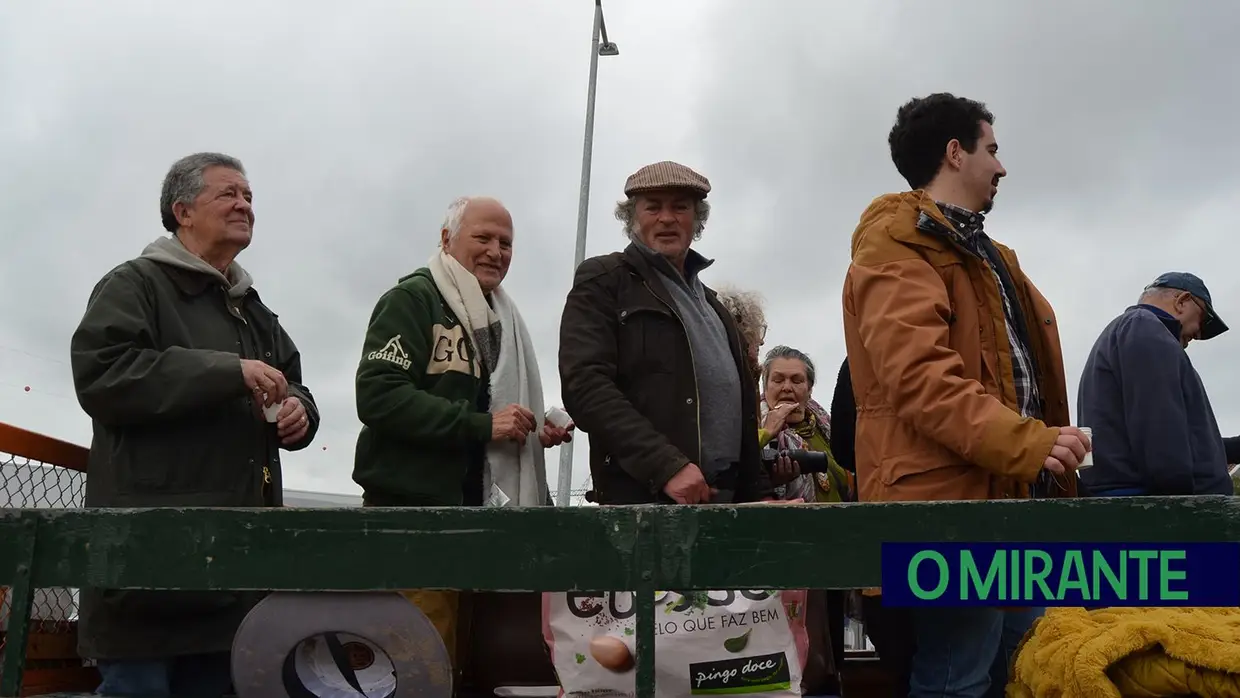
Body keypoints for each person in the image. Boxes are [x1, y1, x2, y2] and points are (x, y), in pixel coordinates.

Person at [842, 93, 1090, 698]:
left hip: (1005, 500)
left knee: (1023, 670)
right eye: (993, 149)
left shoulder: (986, 254)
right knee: (958, 677)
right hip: (946, 505)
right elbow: (919, 378)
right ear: (956, 153)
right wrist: (1031, 443)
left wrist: (1038, 455)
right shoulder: (897, 243)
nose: (1002, 167)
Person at [69, 152, 320, 698]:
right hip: (148, 566)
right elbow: (102, 375)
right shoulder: (135, 285)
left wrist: (300, 409)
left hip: (232, 573)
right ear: (182, 211)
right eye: (228, 194)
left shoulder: (253, 310)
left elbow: (293, 380)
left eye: (249, 196)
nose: (244, 205)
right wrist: (227, 372)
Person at [351, 195, 571, 673]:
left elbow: (492, 399)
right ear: (447, 240)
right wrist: (481, 426)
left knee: (467, 662)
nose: (496, 251)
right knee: (419, 666)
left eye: (506, 243)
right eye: (484, 238)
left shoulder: (500, 317)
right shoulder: (411, 300)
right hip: (412, 521)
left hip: (478, 524)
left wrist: (535, 425)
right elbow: (377, 396)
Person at [559, 161, 772, 505]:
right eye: (653, 207)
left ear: (697, 219)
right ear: (632, 218)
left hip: (727, 504)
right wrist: (666, 466)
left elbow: (743, 411)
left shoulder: (715, 307)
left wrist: (758, 495)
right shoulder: (604, 280)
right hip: (645, 506)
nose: (667, 218)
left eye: (680, 207)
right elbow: (585, 386)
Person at [1077, 272, 1233, 497]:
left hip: (1139, 504)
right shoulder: (1145, 327)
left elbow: (1177, 438)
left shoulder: (1135, 331)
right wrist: (1180, 510)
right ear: (1182, 302)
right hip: (1150, 509)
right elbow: (1161, 438)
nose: (1199, 333)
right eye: (1204, 319)